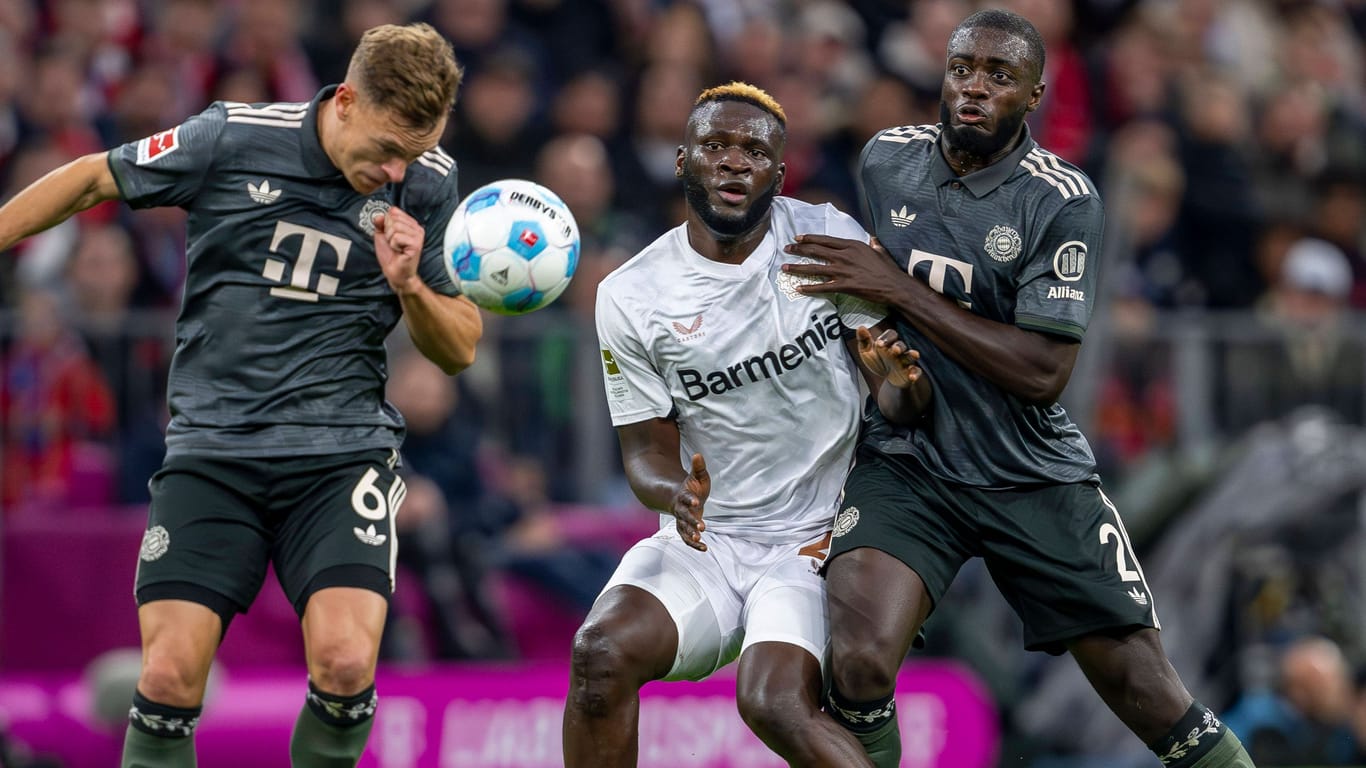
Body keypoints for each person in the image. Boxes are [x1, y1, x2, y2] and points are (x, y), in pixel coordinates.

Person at [783, 10, 1257, 768]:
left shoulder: (1062, 199)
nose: (974, 87)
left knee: (1151, 694)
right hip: (912, 459)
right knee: (859, 662)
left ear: (1035, 93)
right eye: (962, 68)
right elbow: (869, 307)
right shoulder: (885, 161)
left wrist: (899, 292)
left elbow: (1042, 372)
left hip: (1027, 469)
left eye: (998, 76)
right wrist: (883, 366)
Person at [0, 23, 478, 768]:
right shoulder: (231, 138)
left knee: (348, 667)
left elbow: (459, 347)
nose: (394, 171)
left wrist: (411, 286)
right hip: (214, 452)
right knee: (165, 678)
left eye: (411, 154)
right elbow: (95, 175)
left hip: (339, 456)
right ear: (345, 100)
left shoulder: (432, 180)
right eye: (386, 148)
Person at [563, 82, 929, 767]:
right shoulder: (631, 293)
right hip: (709, 538)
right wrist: (675, 493)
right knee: (599, 657)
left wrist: (903, 385)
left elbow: (899, 402)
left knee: (773, 701)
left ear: (779, 174)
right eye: (716, 146)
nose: (734, 162)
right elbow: (644, 453)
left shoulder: (824, 240)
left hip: (815, 536)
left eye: (754, 151)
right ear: (682, 161)